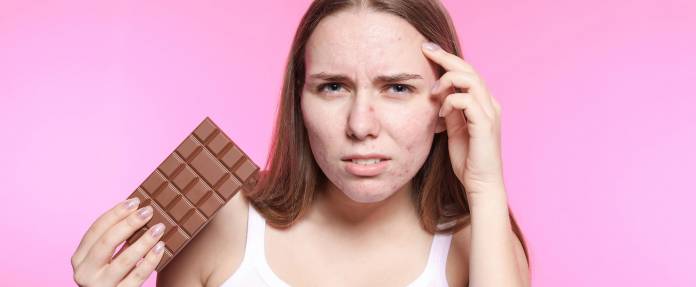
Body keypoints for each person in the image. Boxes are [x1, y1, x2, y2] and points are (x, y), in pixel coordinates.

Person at [71, 0, 531, 286]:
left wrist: (485, 186)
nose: (360, 124)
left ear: (446, 105)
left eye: (397, 88)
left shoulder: (479, 245)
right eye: (333, 86)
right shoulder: (219, 225)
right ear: (300, 99)